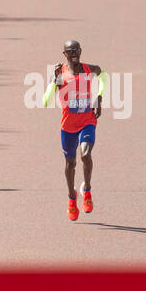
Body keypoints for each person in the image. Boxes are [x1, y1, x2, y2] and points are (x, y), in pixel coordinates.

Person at [43, 39, 105, 220]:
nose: (74, 54)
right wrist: (53, 82)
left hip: (87, 121)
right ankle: (72, 198)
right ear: (64, 55)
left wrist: (99, 98)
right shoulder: (60, 74)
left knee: (86, 154)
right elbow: (45, 101)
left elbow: (104, 76)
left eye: (76, 50)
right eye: (70, 51)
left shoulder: (89, 69)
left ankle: (87, 191)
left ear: (81, 51)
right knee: (70, 164)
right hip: (68, 126)